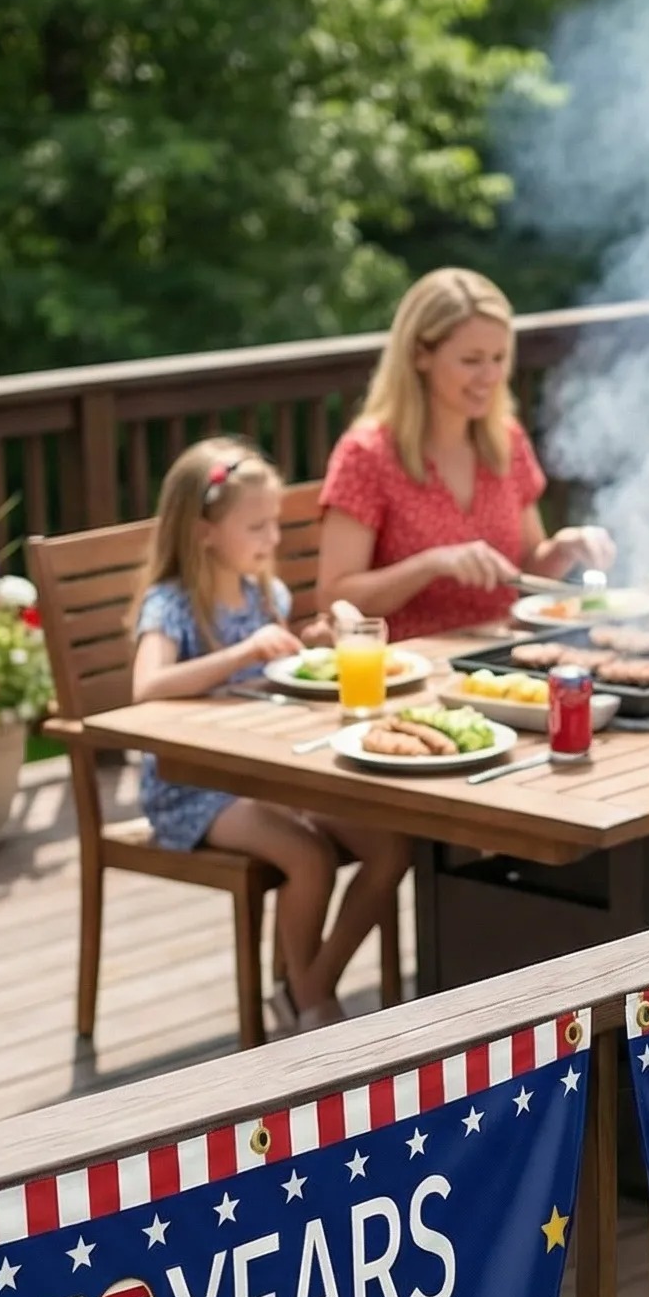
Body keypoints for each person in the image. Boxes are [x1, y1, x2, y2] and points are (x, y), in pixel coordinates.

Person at [130, 438, 409, 1027]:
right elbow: (146, 686)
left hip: (272, 768)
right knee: (308, 856)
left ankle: (308, 985)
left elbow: (277, 664)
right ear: (204, 530)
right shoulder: (171, 605)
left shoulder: (266, 594)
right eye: (256, 526)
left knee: (391, 847)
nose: (272, 540)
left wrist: (311, 643)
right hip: (194, 788)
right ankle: (312, 1008)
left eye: (275, 524)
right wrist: (242, 653)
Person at [314, 268, 615, 640]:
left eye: (499, 357)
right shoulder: (366, 455)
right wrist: (430, 565)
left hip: (504, 655)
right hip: (412, 670)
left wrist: (564, 549)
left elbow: (525, 572)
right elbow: (333, 597)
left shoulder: (507, 440)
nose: (490, 376)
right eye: (471, 360)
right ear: (420, 355)